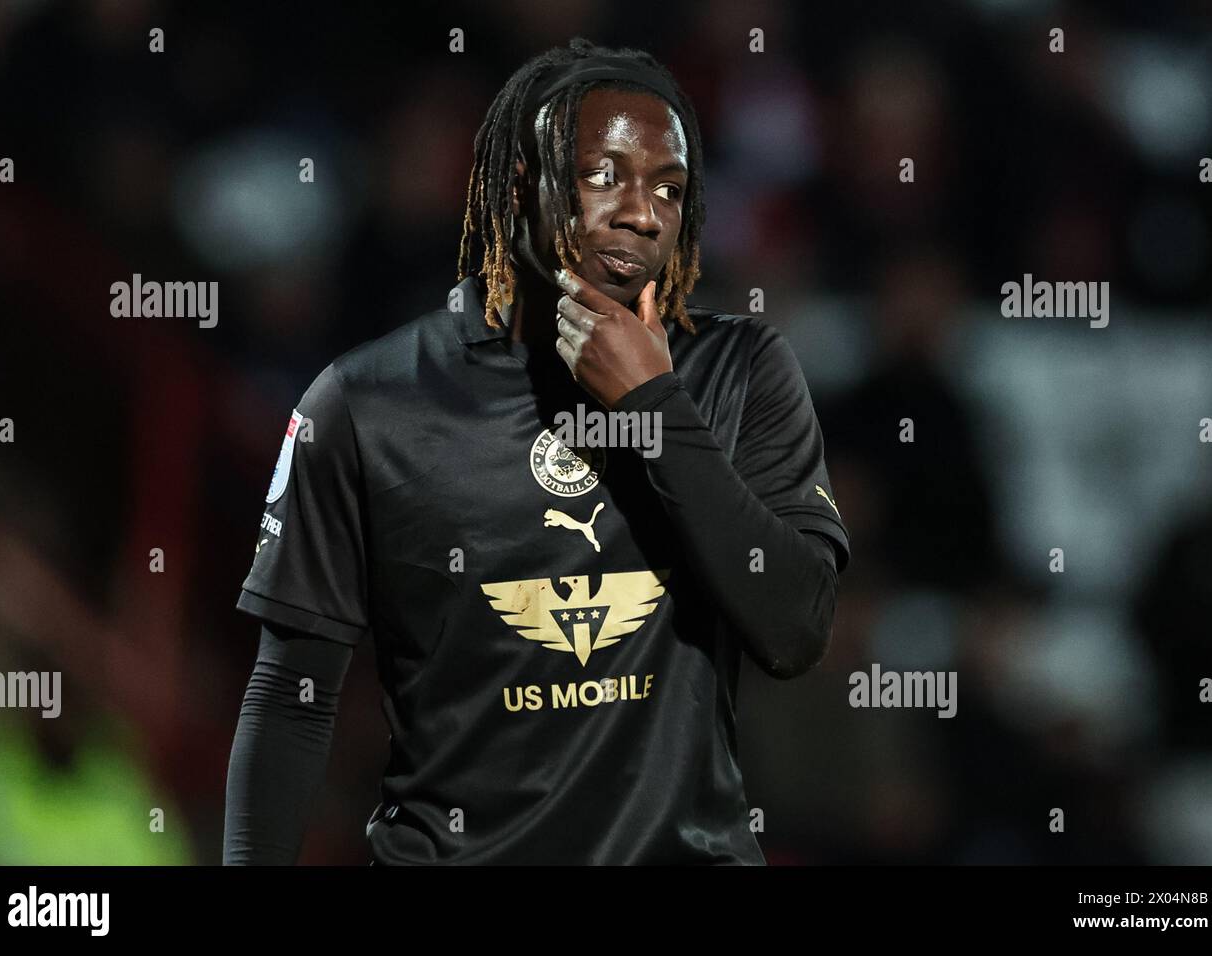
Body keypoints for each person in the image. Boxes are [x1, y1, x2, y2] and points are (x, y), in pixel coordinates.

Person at [224, 37, 850, 865]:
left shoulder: (738, 370)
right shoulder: (368, 403)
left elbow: (795, 629)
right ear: (523, 182)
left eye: (669, 187)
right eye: (606, 177)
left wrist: (653, 409)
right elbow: (292, 699)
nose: (644, 213)